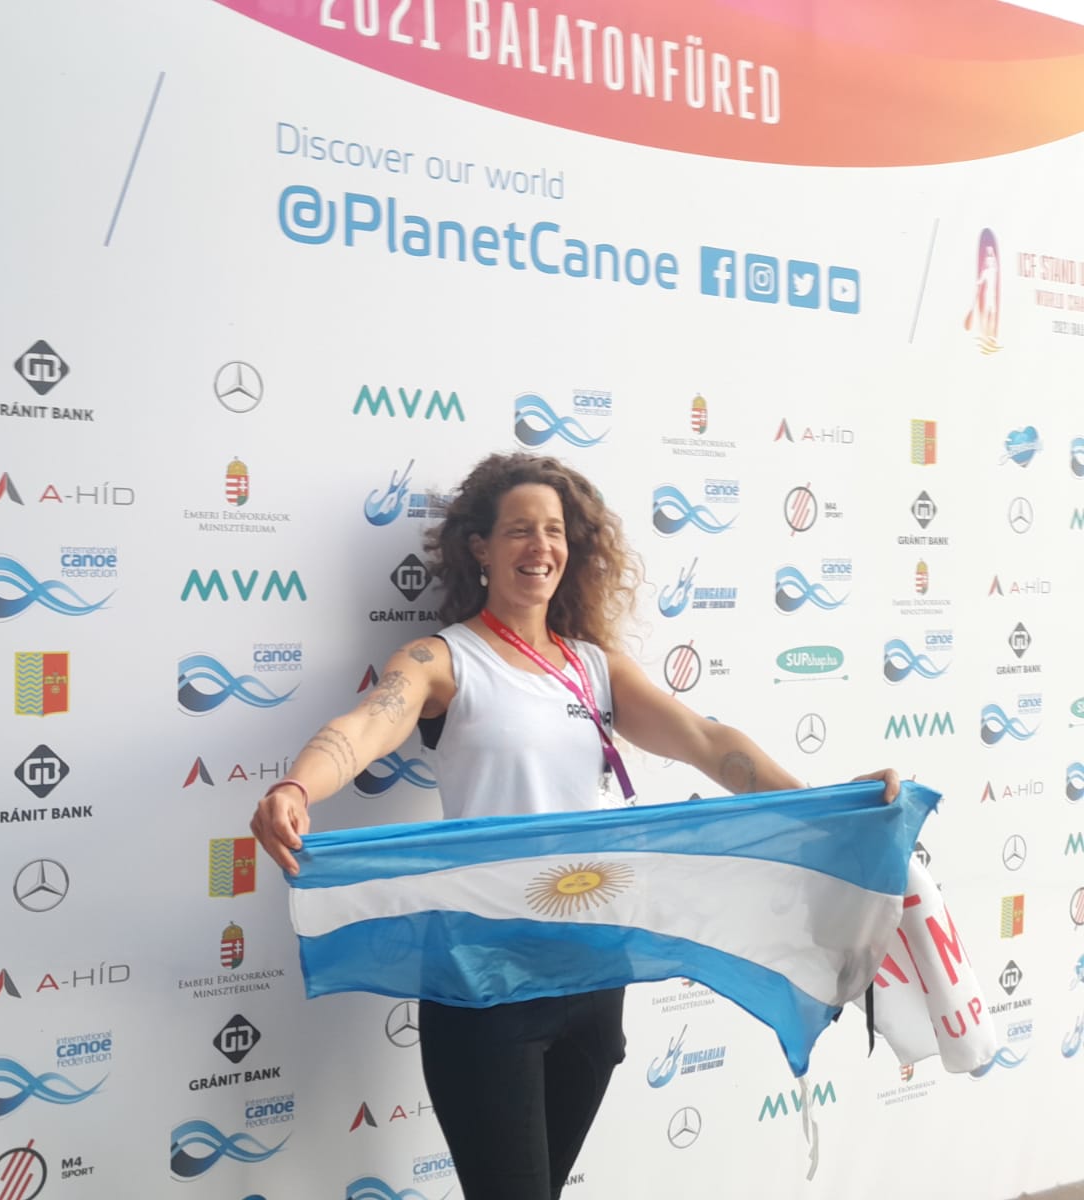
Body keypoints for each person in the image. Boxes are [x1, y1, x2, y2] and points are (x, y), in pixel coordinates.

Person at [250, 451, 898, 1200]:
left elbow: (706, 742)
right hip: (485, 980)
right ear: (480, 547)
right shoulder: (444, 659)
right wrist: (298, 784)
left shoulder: (594, 667)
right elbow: (367, 725)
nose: (541, 547)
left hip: (593, 974)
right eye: (519, 530)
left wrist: (822, 804)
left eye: (554, 531)